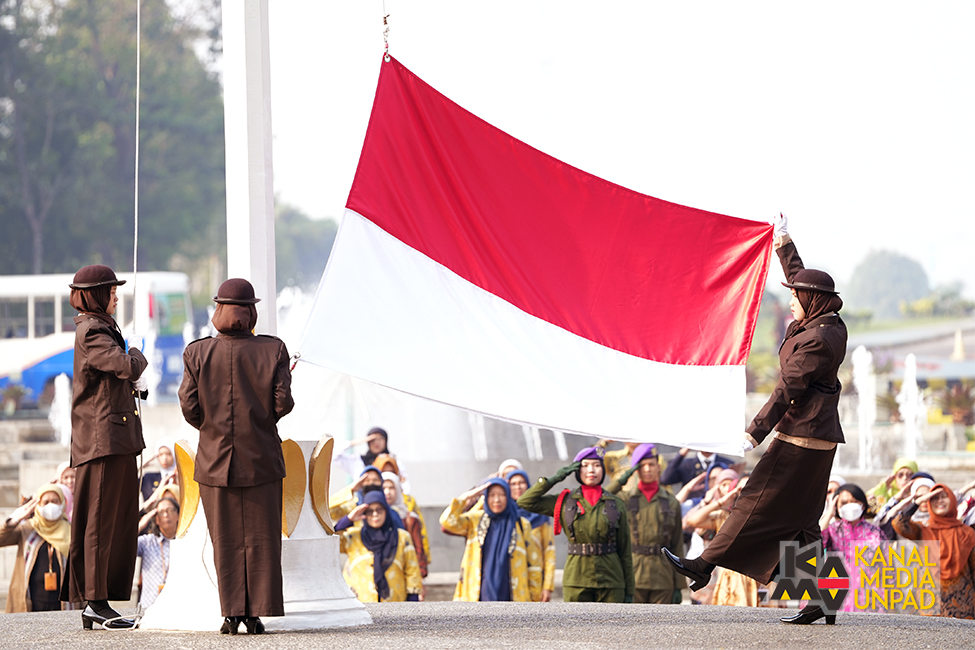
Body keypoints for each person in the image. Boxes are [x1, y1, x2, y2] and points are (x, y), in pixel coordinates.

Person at [663, 215, 848, 626]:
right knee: (803, 523)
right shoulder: (826, 321)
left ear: (812, 300)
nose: (791, 301)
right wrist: (783, 242)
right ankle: (825, 600)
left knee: (753, 504)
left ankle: (703, 565)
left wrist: (753, 432)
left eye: (796, 297)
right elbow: (803, 277)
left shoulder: (818, 339)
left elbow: (787, 389)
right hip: (817, 437)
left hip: (800, 437)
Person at [178, 278, 294, 635]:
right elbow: (282, 404)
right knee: (262, 538)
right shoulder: (273, 350)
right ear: (251, 311)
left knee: (224, 540)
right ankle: (255, 614)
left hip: (215, 462)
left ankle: (231, 615)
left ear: (218, 310)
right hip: (261, 458)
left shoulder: (196, 352)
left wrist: (212, 429)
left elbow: (189, 406)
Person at [62, 264, 148, 630]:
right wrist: (138, 356)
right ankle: (95, 602)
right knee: (98, 523)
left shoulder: (100, 327)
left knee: (114, 521)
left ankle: (98, 601)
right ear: (96, 294)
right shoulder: (93, 330)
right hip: (102, 441)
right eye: (111, 291)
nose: (116, 296)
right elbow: (125, 366)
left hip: (112, 439)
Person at [518, 446, 634, 603]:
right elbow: (525, 501)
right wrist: (557, 477)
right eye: (585, 466)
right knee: (575, 627)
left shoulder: (616, 504)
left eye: (597, 465)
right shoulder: (564, 501)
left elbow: (625, 552)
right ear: (577, 470)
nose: (591, 470)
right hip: (576, 580)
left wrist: (629, 592)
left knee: (612, 626)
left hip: (611, 580)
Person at [606, 444, 685, 604]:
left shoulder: (671, 502)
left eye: (651, 464)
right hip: (634, 575)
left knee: (662, 627)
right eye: (642, 465)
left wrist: (679, 585)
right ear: (635, 469)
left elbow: (677, 545)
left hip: (663, 576)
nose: (647, 469)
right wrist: (623, 479)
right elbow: (604, 497)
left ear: (659, 468)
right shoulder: (625, 499)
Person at [440, 478, 542, 602]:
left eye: (502, 495)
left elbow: (534, 563)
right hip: (478, 595)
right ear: (486, 498)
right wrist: (466, 497)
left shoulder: (521, 524)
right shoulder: (474, 520)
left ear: (508, 496)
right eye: (492, 495)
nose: (497, 500)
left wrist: (535, 598)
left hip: (513, 596)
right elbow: (447, 521)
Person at [893, 484, 975, 619]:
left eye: (944, 497)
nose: (940, 501)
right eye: (934, 499)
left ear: (953, 501)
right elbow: (899, 524)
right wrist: (919, 501)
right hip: (929, 606)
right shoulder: (923, 530)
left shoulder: (967, 533)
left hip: (962, 607)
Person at [336, 491, 423, 602]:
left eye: (379, 510)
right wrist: (348, 519)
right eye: (370, 511)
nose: (375, 514)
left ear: (386, 511)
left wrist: (412, 602)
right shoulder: (353, 536)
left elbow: (412, 570)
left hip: (395, 605)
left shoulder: (402, 537)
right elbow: (330, 540)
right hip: (359, 605)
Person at [1, 484, 73, 612]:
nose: (51, 505)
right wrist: (17, 518)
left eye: (55, 501)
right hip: (31, 601)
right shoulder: (28, 529)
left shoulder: (70, 529)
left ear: (62, 504)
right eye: (46, 502)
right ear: (38, 505)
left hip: (63, 604)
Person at [819, 483, 887, 612]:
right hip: (838, 599)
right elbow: (815, 543)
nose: (850, 505)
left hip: (869, 601)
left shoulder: (875, 532)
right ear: (836, 506)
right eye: (844, 502)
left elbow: (888, 568)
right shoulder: (832, 531)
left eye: (854, 501)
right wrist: (829, 513)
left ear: (862, 504)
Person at [506, 469, 557, 602]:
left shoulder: (540, 515)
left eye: (522, 482)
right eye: (513, 484)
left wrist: (548, 586)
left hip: (535, 582)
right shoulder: (502, 516)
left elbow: (549, 551)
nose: (518, 487)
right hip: (507, 582)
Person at [374, 453, 430, 564]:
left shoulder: (408, 505)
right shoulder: (371, 510)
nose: (387, 492)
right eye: (383, 472)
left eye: (392, 472)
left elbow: (418, 537)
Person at [135, 494, 179, 609]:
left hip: (177, 607)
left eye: (170, 510)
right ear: (156, 519)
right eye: (161, 512)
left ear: (178, 515)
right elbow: (124, 546)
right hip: (149, 607)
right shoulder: (147, 542)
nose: (166, 514)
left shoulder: (185, 542)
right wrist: (141, 523)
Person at [381, 472, 428, 578]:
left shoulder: (409, 518)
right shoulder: (373, 517)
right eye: (383, 487)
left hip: (404, 573)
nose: (387, 492)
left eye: (392, 487)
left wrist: (420, 579)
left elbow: (418, 550)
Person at [660, 447, 734, 501]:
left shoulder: (727, 464)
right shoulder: (687, 464)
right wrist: (682, 453)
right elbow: (665, 479)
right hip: (691, 509)